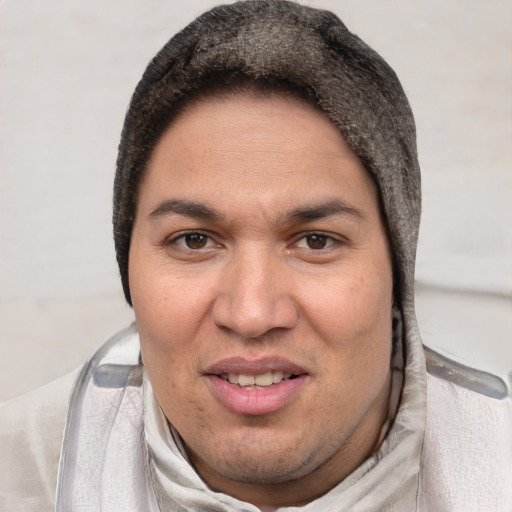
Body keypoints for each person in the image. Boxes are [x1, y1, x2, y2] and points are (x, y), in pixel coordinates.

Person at [1, 1, 510, 511]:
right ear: (130, 272)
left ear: (397, 274)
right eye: (195, 240)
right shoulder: (19, 476)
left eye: (315, 241)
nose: (251, 314)